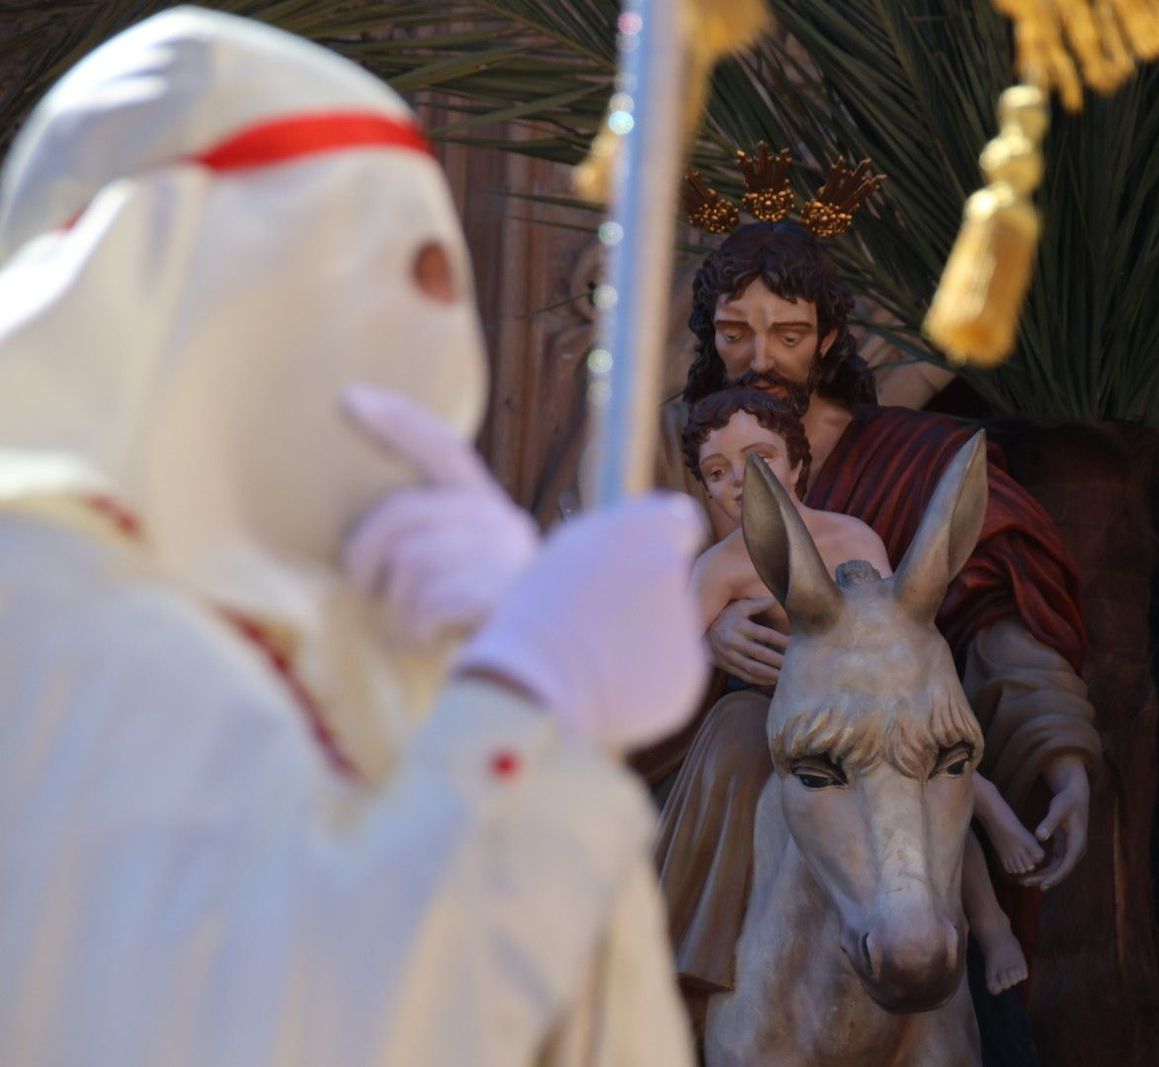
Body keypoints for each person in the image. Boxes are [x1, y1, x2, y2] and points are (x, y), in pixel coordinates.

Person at [0, 9, 704, 1066]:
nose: (438, 315)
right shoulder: (41, 603)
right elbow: (277, 1020)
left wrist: (497, 675)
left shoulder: (388, 654)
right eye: (385, 258)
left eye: (447, 272)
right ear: (177, 274)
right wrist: (528, 695)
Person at [682, 386, 1041, 993]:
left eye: (760, 461)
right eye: (717, 472)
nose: (740, 482)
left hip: (869, 699)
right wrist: (713, 632)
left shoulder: (852, 537)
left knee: (929, 773)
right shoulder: (720, 567)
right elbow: (670, 659)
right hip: (785, 718)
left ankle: (992, 920)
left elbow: (885, 623)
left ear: (798, 464)